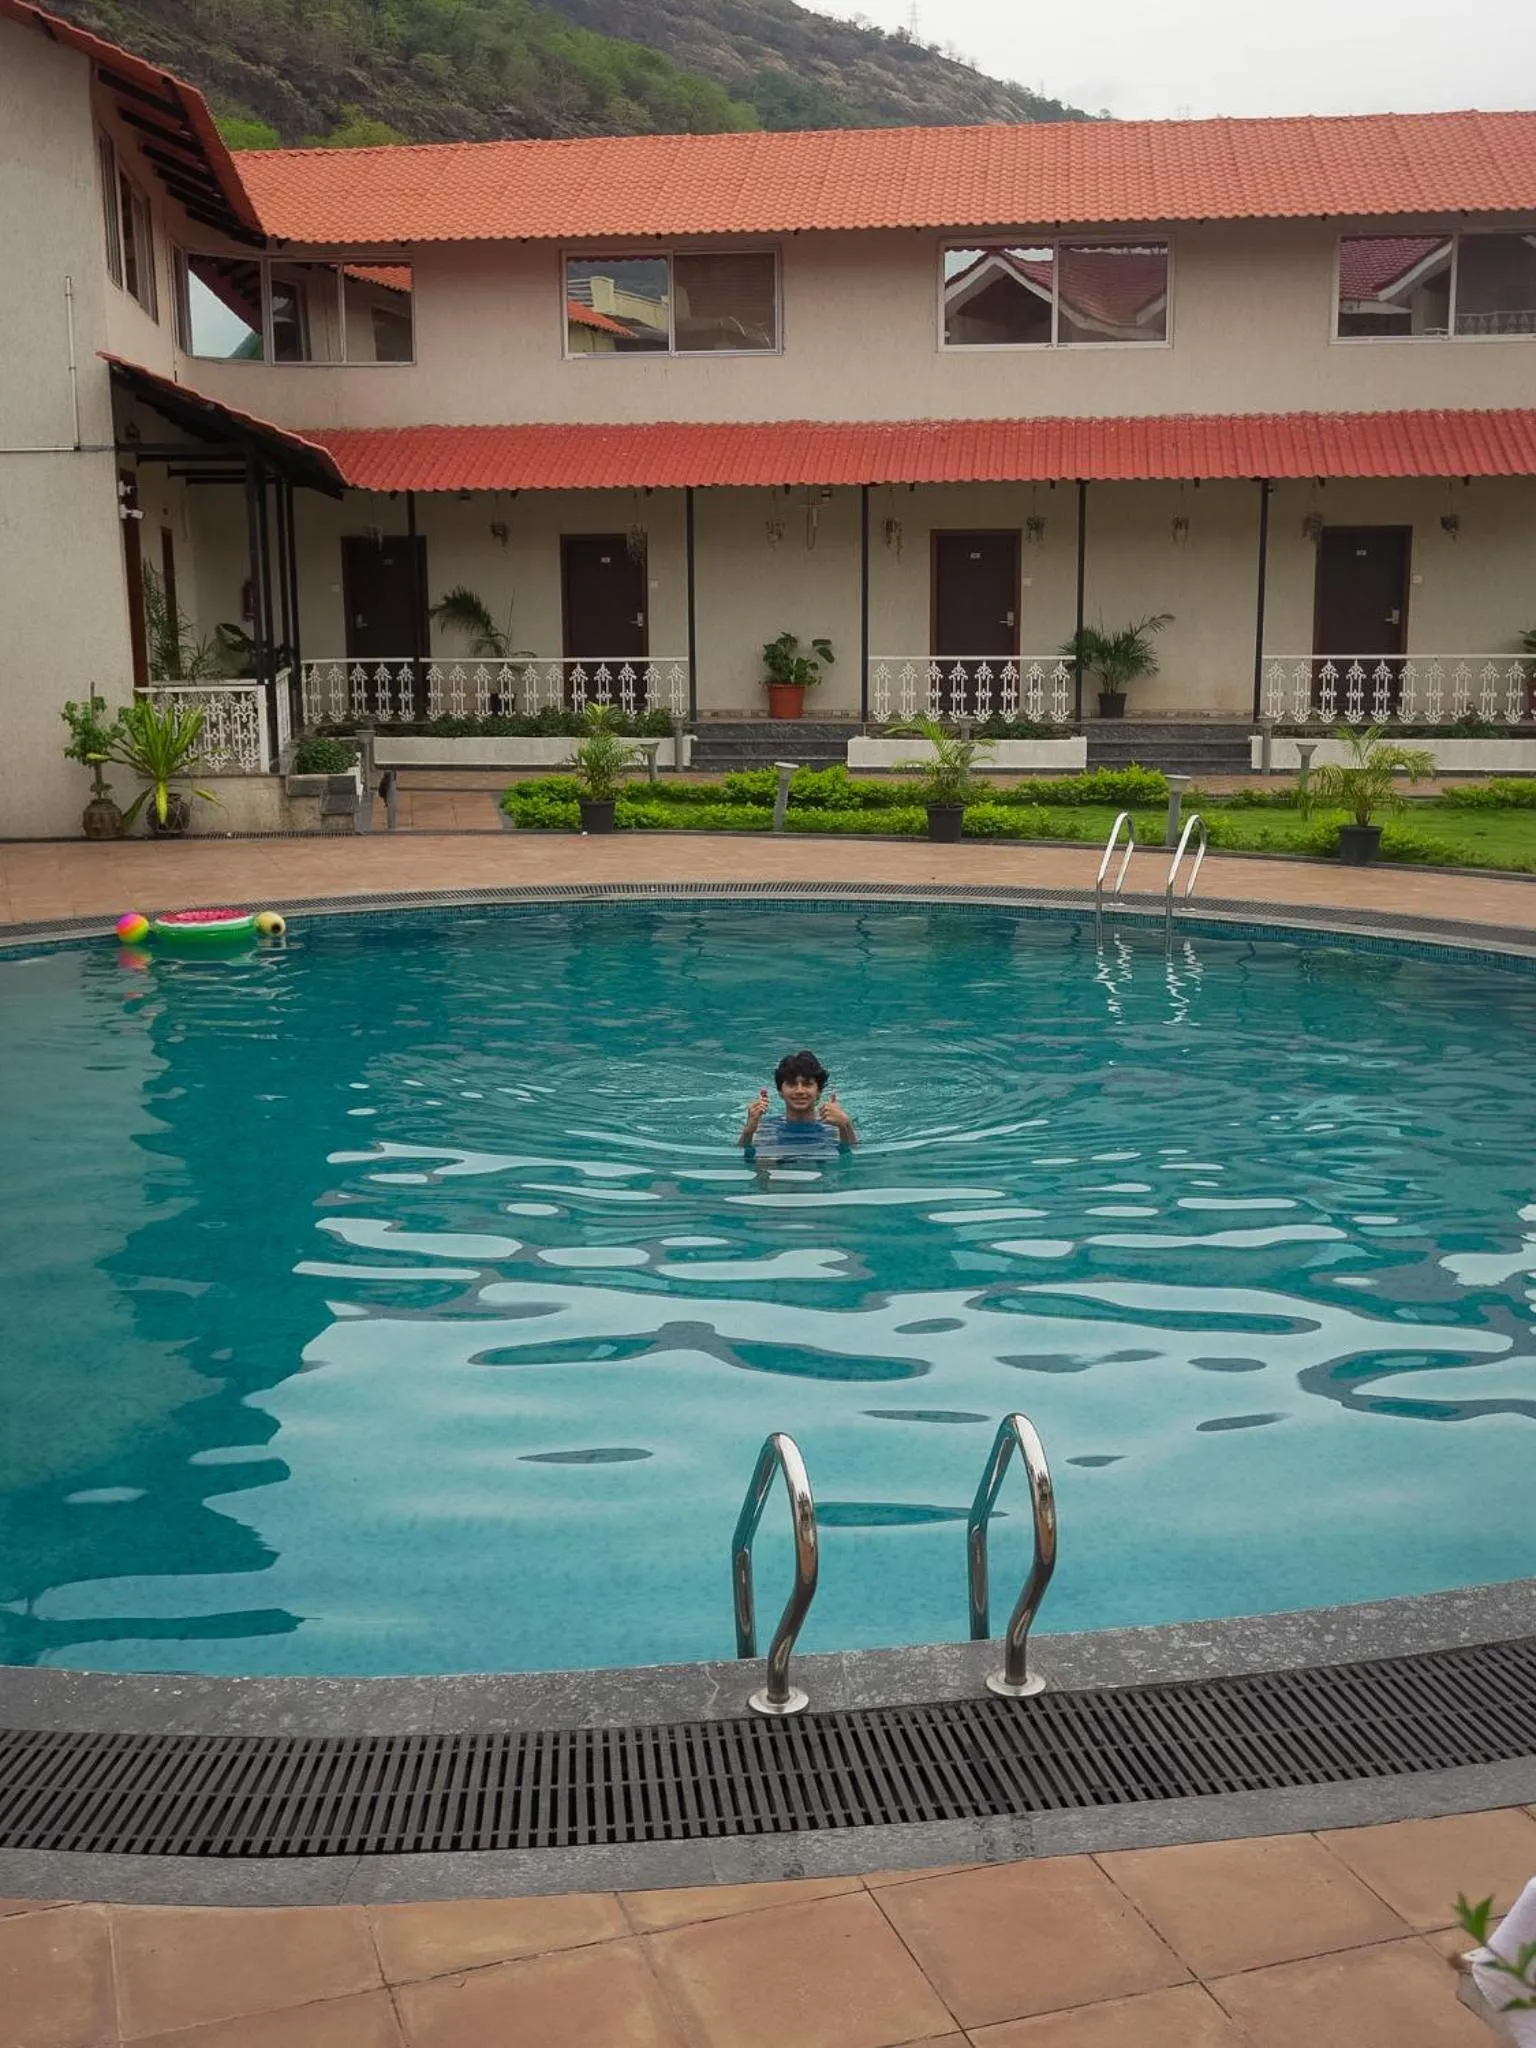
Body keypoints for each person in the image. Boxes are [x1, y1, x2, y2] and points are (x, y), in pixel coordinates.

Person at [739, 1049, 857, 1149]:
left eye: (807, 1084)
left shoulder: (834, 1127)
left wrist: (845, 1124)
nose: (800, 1091)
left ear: (819, 1092)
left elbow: (851, 1151)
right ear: (780, 1092)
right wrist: (748, 1131)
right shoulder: (764, 1128)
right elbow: (748, 1157)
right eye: (791, 1084)